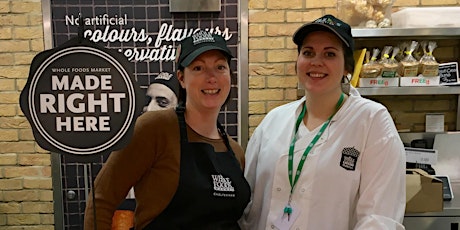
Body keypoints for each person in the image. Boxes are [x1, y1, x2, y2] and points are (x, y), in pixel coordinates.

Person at [240, 15, 406, 230]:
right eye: (308, 52)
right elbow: (249, 202)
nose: (316, 61)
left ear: (347, 67)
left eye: (329, 54)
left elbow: (379, 217)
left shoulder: (371, 121)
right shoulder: (274, 121)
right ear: (297, 62)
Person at [84, 30, 250, 229]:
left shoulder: (235, 152)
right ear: (181, 78)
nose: (211, 77)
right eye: (198, 68)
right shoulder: (154, 128)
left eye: (220, 67)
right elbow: (101, 200)